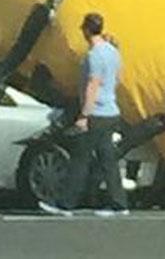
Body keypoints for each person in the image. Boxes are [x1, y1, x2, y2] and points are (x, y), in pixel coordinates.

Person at [39, 12, 129, 217]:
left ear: (87, 30)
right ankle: (119, 203)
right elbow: (118, 78)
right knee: (108, 160)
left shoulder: (94, 55)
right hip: (111, 111)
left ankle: (66, 204)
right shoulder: (113, 51)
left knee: (80, 159)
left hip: (96, 113)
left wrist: (84, 115)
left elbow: (92, 85)